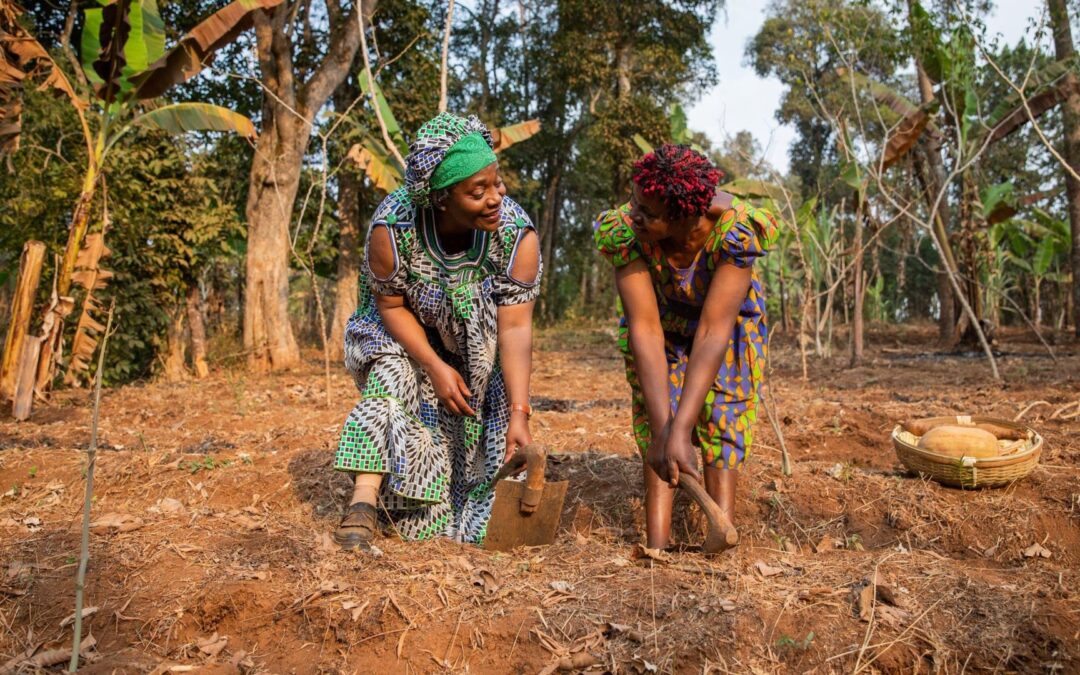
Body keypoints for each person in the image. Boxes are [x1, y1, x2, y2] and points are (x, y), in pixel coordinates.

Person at [333, 112, 541, 550]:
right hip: (400, 332)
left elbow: (516, 328)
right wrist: (432, 364)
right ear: (441, 198)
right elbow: (390, 306)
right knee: (392, 375)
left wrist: (519, 413)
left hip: (478, 348)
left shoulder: (515, 235)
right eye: (477, 191)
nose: (495, 198)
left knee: (470, 520)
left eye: (497, 183)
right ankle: (363, 502)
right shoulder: (394, 227)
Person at [593, 144, 777, 551]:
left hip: (726, 326)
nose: (634, 215)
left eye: (649, 212)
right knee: (657, 421)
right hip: (660, 321)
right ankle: (657, 547)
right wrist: (666, 431)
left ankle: (719, 539)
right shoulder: (626, 231)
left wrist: (684, 428)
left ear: (683, 216)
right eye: (634, 202)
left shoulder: (735, 230)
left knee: (723, 415)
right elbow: (645, 329)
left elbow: (713, 330)